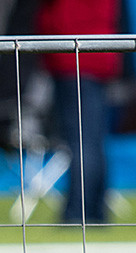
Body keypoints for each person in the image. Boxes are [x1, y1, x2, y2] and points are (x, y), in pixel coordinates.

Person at [37, 0, 121, 226]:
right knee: (92, 139)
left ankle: (79, 213)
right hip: (99, 50)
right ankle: (94, 211)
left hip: (72, 52)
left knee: (81, 141)